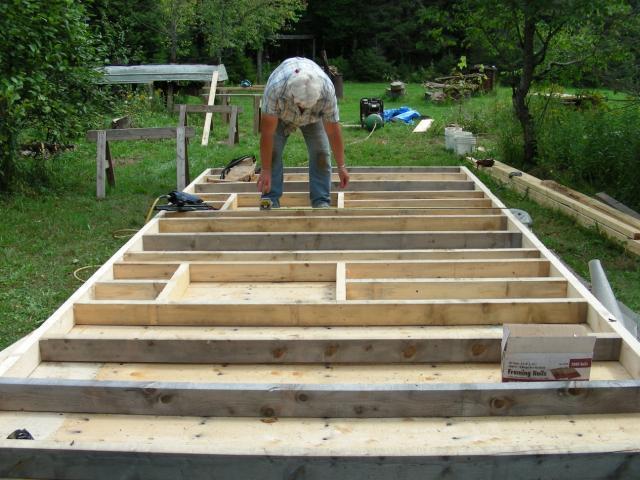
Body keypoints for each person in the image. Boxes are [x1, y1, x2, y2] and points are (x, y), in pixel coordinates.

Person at [257, 57, 349, 208]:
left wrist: (341, 166)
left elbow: (333, 131)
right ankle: (270, 199)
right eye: (301, 105)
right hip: (281, 115)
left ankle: (321, 201)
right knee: (273, 152)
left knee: (321, 153)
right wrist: (265, 170)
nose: (303, 109)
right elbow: (267, 133)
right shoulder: (276, 89)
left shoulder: (326, 91)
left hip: (313, 117)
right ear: (292, 94)